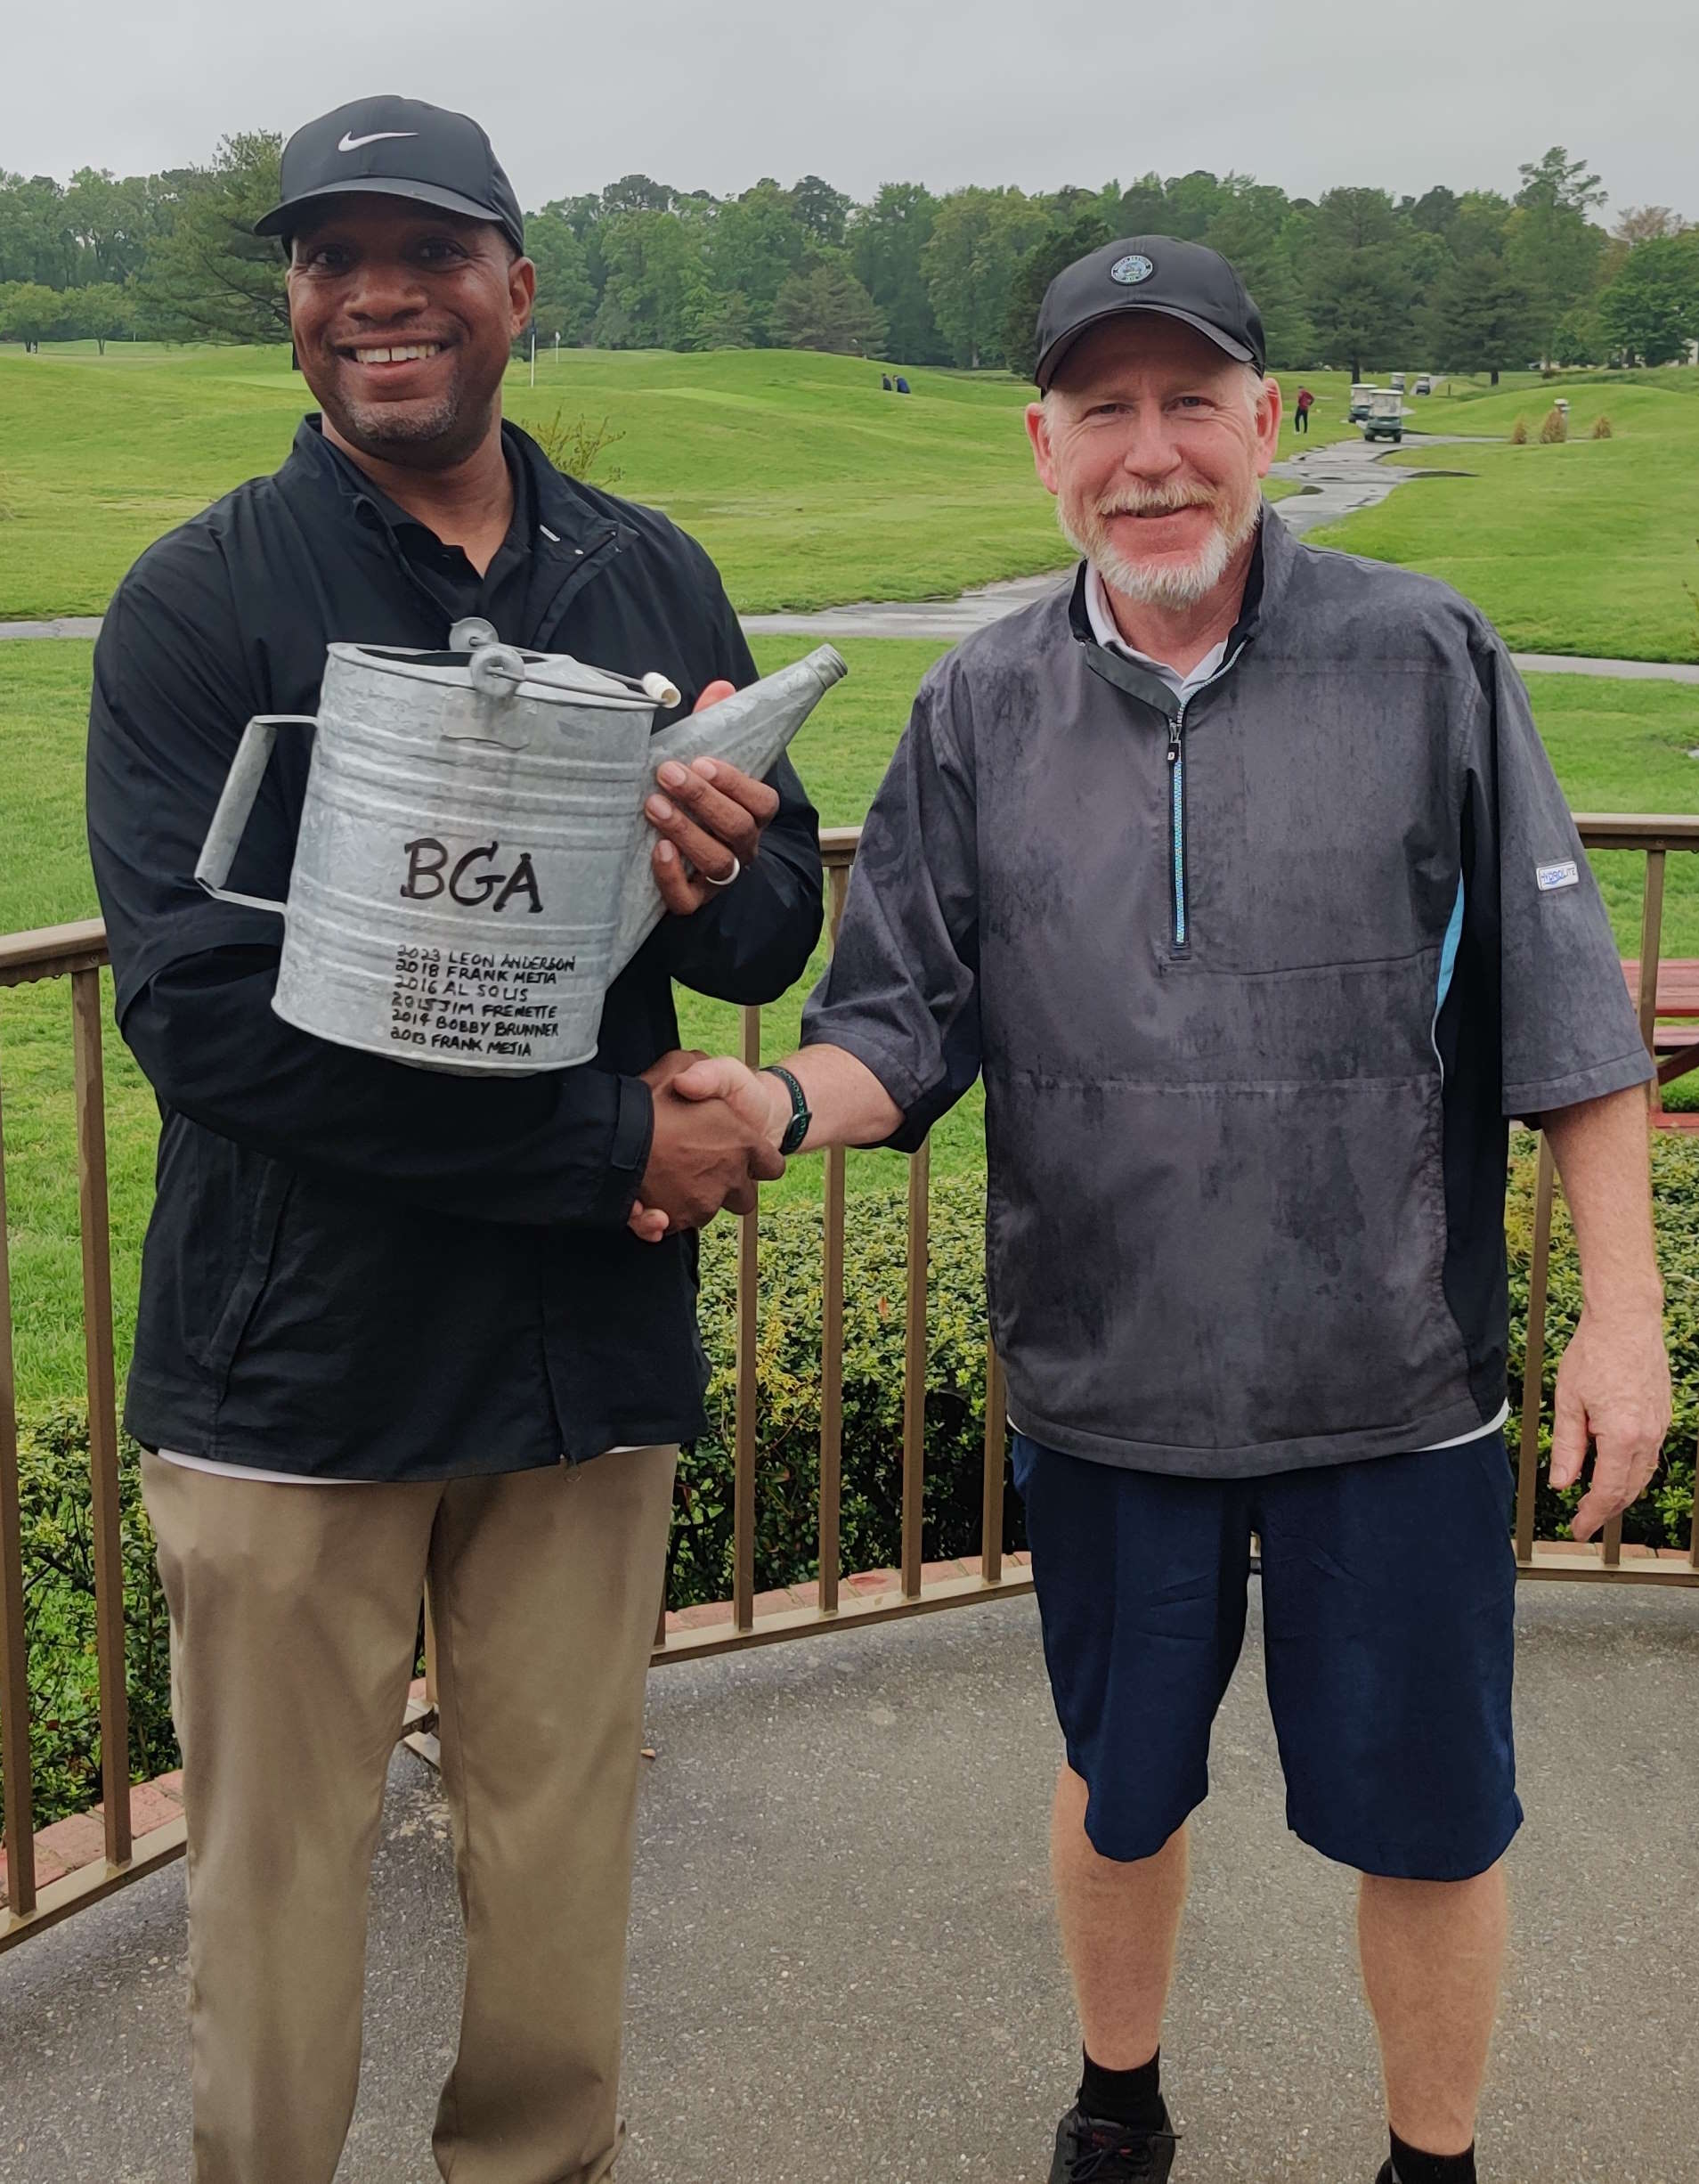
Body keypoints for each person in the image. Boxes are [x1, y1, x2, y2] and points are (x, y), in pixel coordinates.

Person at [630, 236, 1671, 2184]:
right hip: (1107, 1383)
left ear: (1265, 422)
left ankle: (1429, 2156)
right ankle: (1121, 2100)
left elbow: (1565, 1013)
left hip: (1398, 1381)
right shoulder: (979, 707)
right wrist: (770, 1099)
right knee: (1122, 1789)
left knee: (1434, 1818)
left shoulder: (1427, 654)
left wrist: (1627, 1311)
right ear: (1044, 446)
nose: (1153, 452)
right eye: (1104, 408)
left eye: (1192, 400)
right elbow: (893, 1022)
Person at [85, 94, 823, 2184]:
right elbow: (207, 1024)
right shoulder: (203, 597)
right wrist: (612, 1139)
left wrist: (716, 865)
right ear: (298, 310)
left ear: (517, 282)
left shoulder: (641, 566)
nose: (376, 294)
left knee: (563, 1854)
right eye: (331, 259)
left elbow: (779, 919)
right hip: (291, 1360)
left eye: (426, 251)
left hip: (575, 1355)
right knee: (279, 1889)